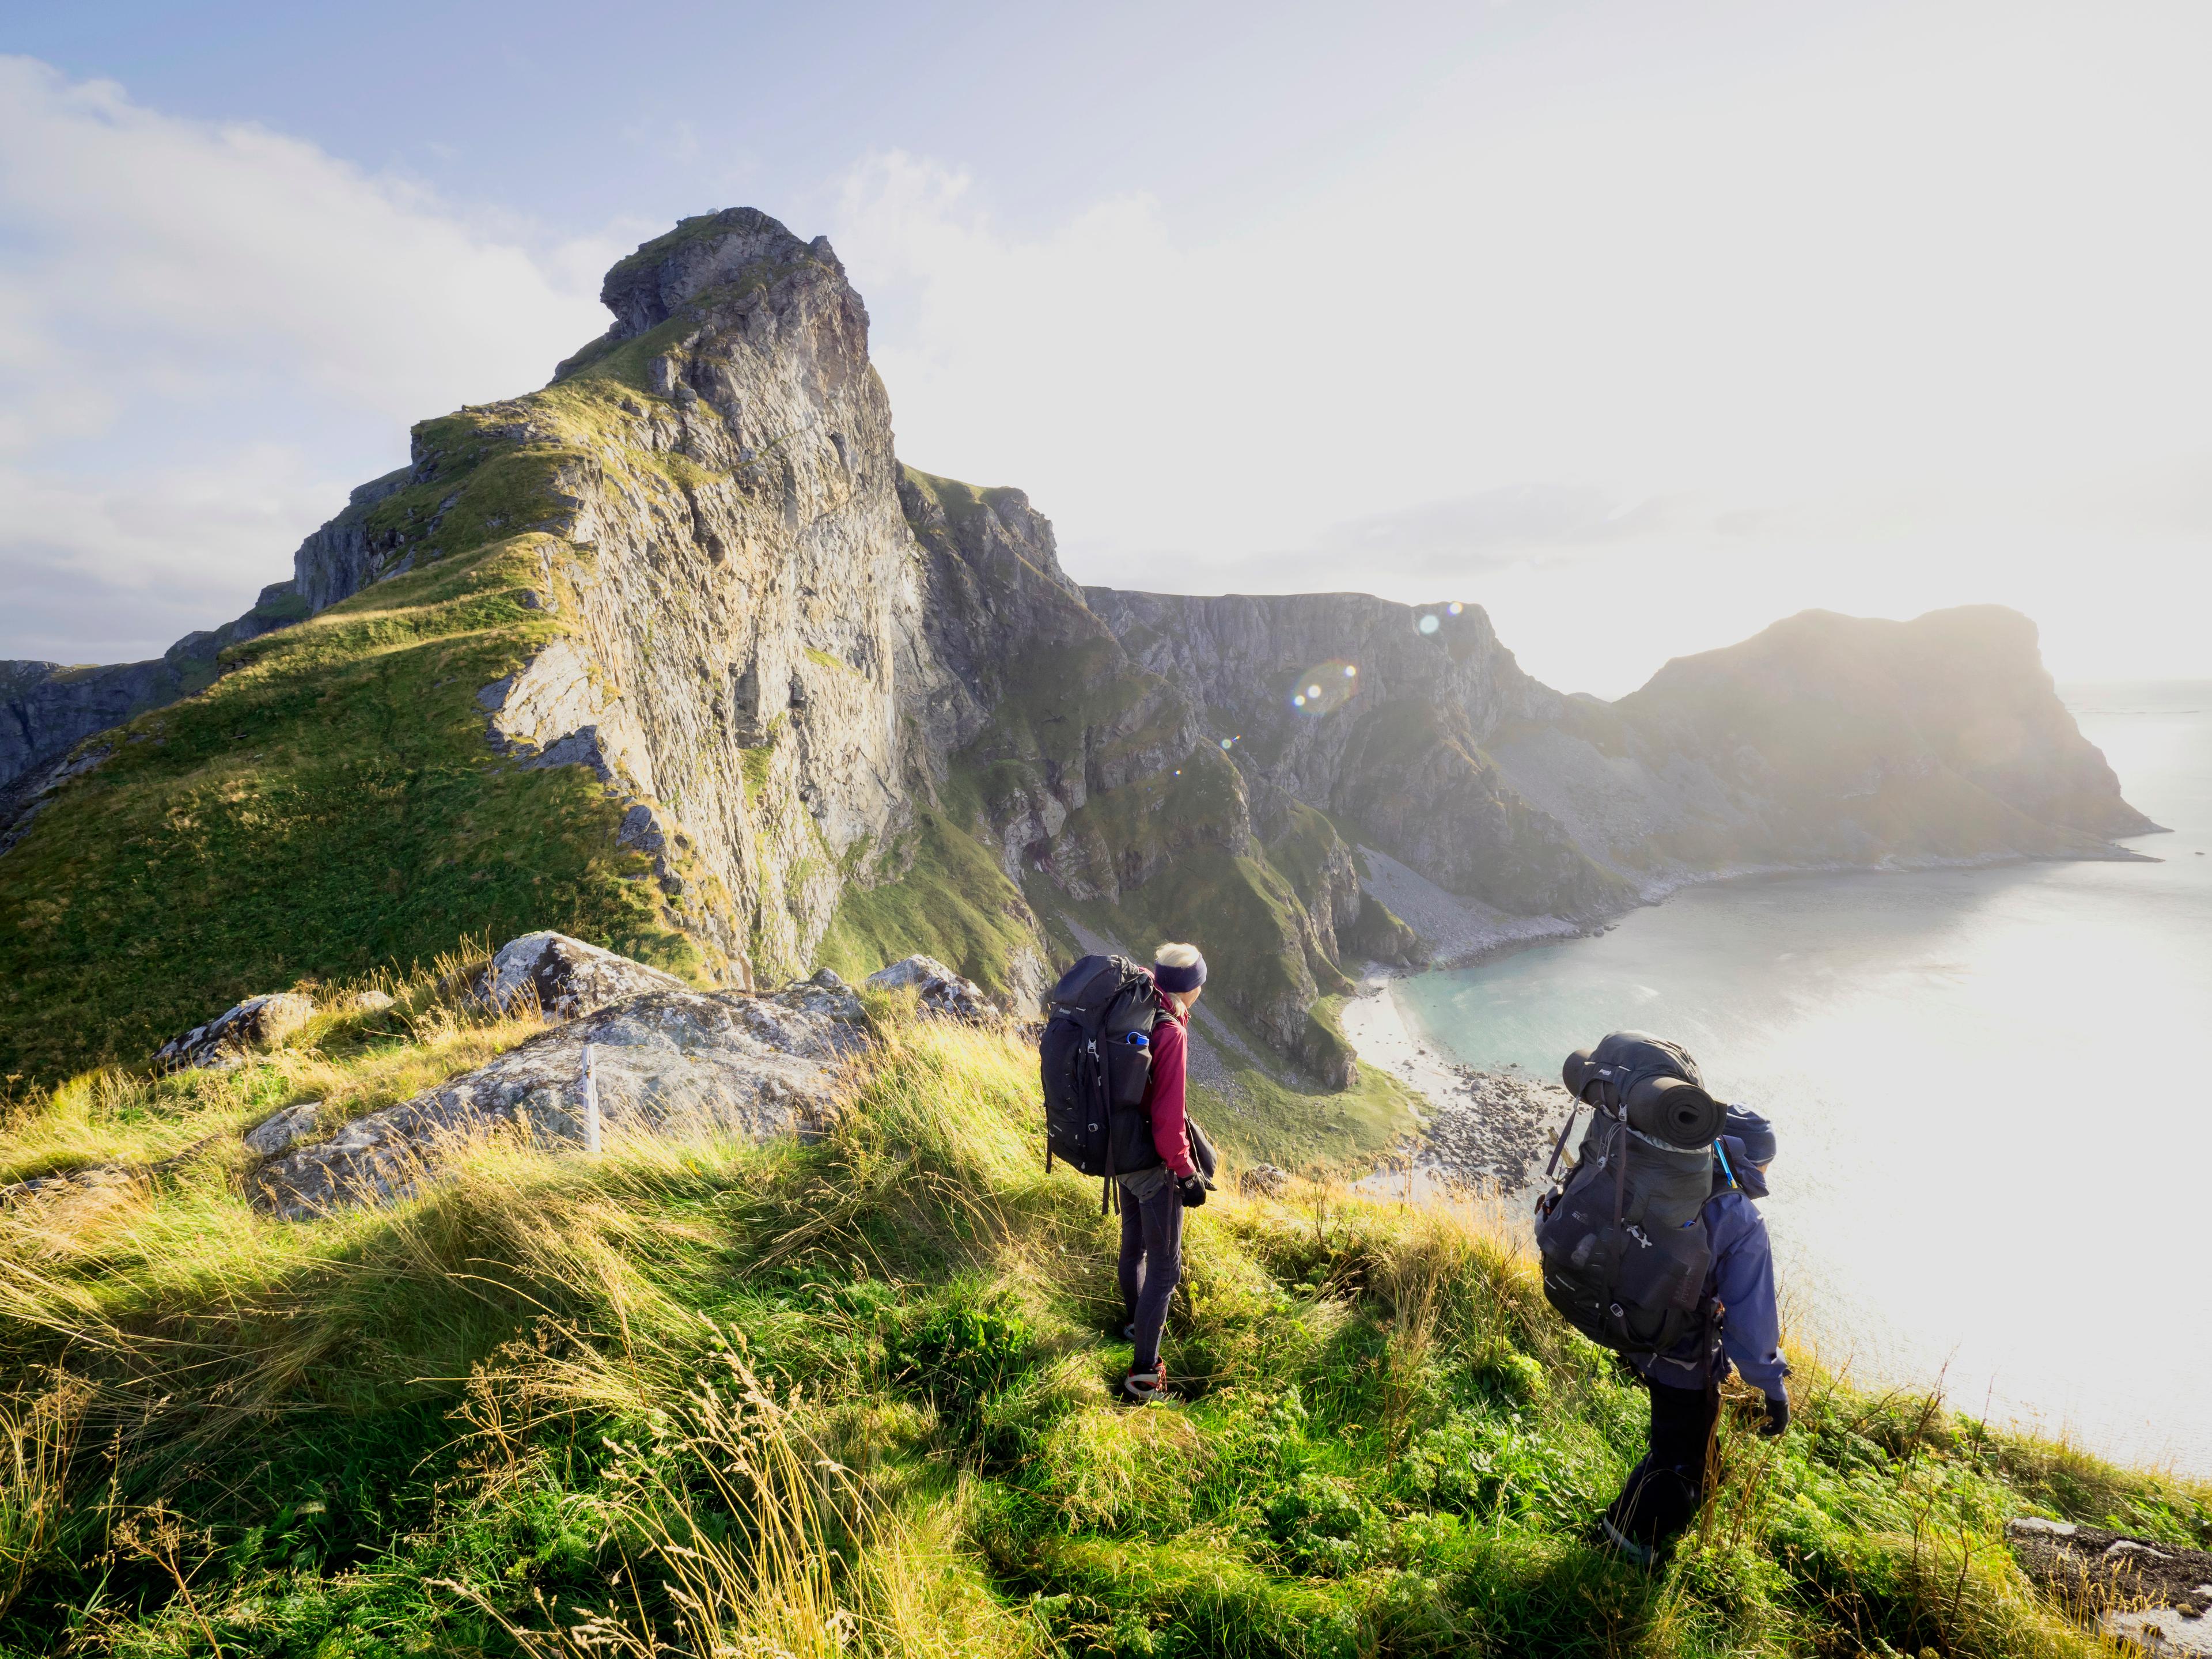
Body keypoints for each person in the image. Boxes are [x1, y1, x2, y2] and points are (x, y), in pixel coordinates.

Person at [1601, 1105, 1790, 1566]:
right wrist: (1773, 1388)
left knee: (1688, 1443)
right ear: (1754, 1161)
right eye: (1769, 1162)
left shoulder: (1668, 1175)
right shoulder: (1740, 1216)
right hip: (1680, 1355)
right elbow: (1751, 1322)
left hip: (1631, 1326)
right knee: (1681, 1458)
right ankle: (1622, 1539)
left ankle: (1663, 1519)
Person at [1117, 942, 1213, 1403]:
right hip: (1152, 1164)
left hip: (1119, 1150)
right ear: (1190, 987)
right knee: (1166, 1270)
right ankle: (1143, 1379)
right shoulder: (1170, 1032)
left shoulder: (1139, 1005)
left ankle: (1137, 1326)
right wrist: (1187, 1174)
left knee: (1133, 1243)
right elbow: (1169, 1118)